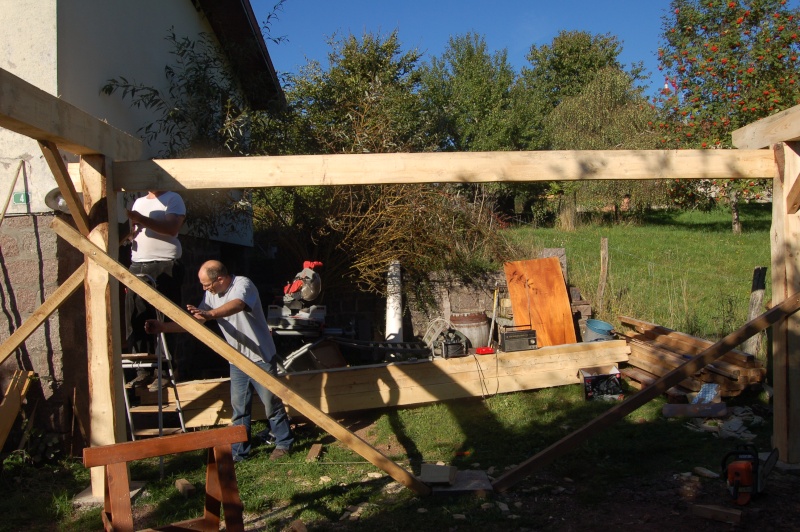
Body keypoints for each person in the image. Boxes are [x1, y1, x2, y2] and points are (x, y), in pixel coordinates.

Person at [145, 260, 294, 462]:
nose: (204, 288)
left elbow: (237, 305)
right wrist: (162, 327)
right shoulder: (211, 294)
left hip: (260, 356)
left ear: (221, 279)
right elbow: (196, 321)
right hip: (236, 360)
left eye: (207, 284)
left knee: (271, 403)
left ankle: (283, 443)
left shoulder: (243, 285)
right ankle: (239, 452)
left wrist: (210, 314)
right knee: (239, 408)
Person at [124, 190, 186, 390]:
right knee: (136, 316)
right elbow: (134, 229)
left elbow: (171, 228)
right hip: (138, 264)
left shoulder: (172, 199)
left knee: (164, 317)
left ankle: (165, 371)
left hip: (164, 264)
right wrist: (128, 232)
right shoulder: (139, 202)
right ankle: (142, 372)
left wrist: (140, 219)